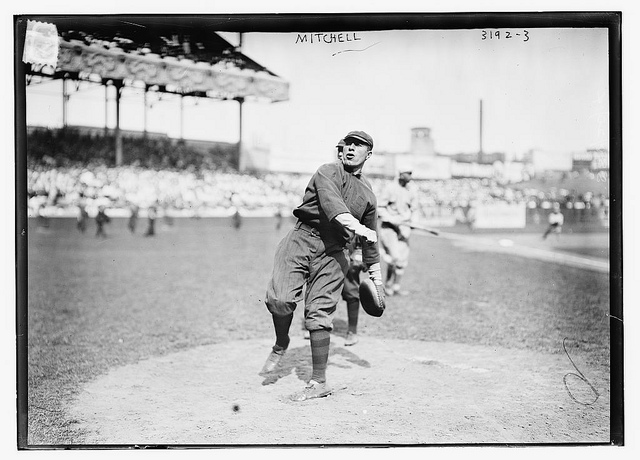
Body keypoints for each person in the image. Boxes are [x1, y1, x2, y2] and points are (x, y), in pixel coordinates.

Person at [261, 130, 382, 402]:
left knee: (319, 314)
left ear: (368, 154)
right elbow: (333, 206)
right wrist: (358, 227)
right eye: (347, 144)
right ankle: (281, 343)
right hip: (302, 238)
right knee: (280, 300)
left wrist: (376, 278)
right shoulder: (327, 171)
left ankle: (318, 381)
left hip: (334, 252)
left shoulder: (369, 194)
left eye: (358, 146)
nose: (351, 149)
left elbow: (371, 239)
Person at [378, 170, 418, 296]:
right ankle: (388, 286)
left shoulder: (412, 189)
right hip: (390, 227)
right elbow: (380, 208)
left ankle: (396, 287)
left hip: (404, 227)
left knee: (402, 261)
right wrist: (391, 219)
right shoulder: (390, 188)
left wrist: (414, 222)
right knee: (394, 258)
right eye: (408, 173)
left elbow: (415, 209)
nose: (410, 176)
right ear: (401, 174)